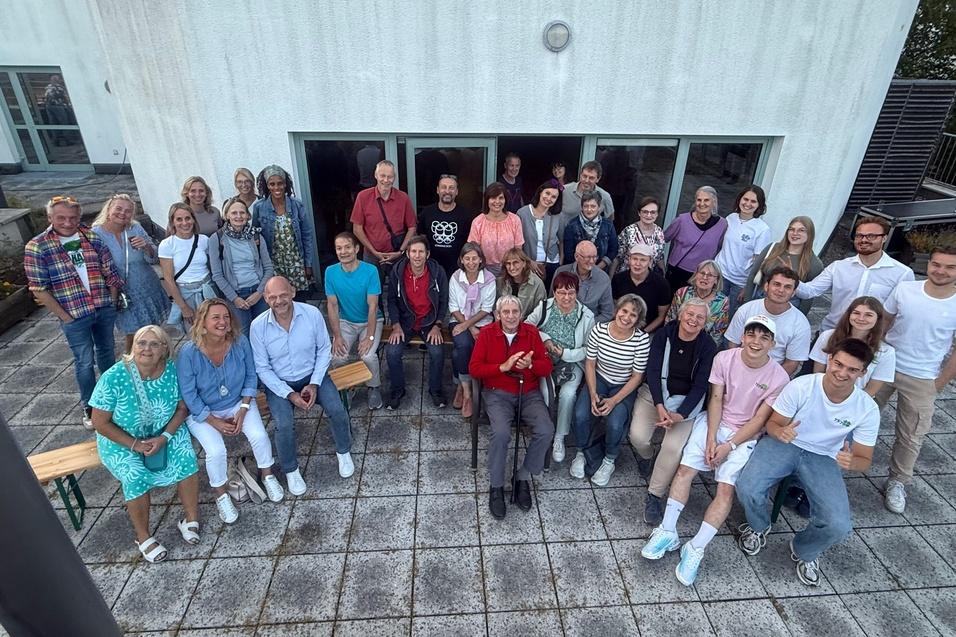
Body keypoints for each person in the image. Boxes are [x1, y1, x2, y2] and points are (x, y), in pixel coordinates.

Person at [640, 315, 789, 583]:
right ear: (742, 337)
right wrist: (711, 438)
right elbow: (716, 399)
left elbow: (759, 419)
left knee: (725, 489)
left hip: (745, 434)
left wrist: (729, 445)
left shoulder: (779, 377)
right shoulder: (724, 358)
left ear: (772, 344)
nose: (756, 342)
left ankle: (696, 547)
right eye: (751, 334)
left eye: (764, 337)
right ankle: (668, 531)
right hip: (714, 422)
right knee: (684, 471)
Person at [736, 338, 880, 587]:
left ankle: (804, 549)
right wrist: (780, 432)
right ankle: (759, 526)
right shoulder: (802, 386)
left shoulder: (867, 408)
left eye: (852, 369)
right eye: (838, 364)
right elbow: (773, 424)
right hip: (786, 443)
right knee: (747, 487)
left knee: (839, 524)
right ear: (829, 359)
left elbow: (864, 459)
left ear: (862, 373)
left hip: (825, 456)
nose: (842, 373)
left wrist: (851, 462)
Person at [88, 325, 199, 563]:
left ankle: (191, 518)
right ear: (133, 346)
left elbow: (182, 408)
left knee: (186, 458)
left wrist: (165, 437)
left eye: (154, 344)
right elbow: (99, 422)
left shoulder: (172, 370)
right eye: (141, 343)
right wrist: (135, 445)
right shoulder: (114, 377)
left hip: (164, 431)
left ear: (164, 349)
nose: (146, 349)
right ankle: (143, 536)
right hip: (121, 440)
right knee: (134, 476)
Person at [178, 300, 283, 523]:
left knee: (259, 435)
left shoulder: (239, 341)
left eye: (226, 317)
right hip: (203, 411)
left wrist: (244, 408)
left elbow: (251, 375)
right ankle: (221, 495)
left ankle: (267, 475)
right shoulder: (188, 352)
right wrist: (213, 421)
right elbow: (188, 393)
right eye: (215, 317)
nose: (223, 322)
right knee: (216, 451)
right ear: (202, 322)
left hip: (238, 402)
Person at [24, 195, 122, 429]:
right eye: (61, 218)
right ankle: (90, 406)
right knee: (84, 361)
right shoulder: (37, 246)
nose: (67, 223)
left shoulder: (91, 237)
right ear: (50, 217)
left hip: (102, 307)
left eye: (72, 218)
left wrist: (112, 300)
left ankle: (113, 399)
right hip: (74, 314)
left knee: (107, 354)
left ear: (79, 217)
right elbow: (38, 288)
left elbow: (109, 270)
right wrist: (65, 316)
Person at [250, 277, 355, 495]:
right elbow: (262, 368)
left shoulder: (312, 314)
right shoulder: (257, 326)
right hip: (279, 383)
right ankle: (291, 469)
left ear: (293, 292)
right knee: (283, 424)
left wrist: (314, 383)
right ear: (266, 299)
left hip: (313, 375)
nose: (279, 301)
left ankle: (343, 451)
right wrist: (289, 394)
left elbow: (324, 349)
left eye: (283, 295)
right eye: (273, 297)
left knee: (337, 409)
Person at [876, 245, 956, 514]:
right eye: (937, 264)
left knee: (911, 435)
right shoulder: (905, 289)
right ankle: (837, 461)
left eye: (950, 267)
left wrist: (939, 384)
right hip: (886, 365)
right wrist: (874, 357)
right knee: (856, 415)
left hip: (923, 376)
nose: (941, 271)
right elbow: (884, 321)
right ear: (929, 264)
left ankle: (897, 481)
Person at [629, 299, 718, 523]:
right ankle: (647, 456)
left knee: (672, 448)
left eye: (700, 317)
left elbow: (701, 386)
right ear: (680, 314)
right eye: (690, 314)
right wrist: (659, 405)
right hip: (655, 395)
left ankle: (654, 494)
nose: (693, 320)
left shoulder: (708, 346)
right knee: (637, 437)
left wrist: (680, 414)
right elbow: (652, 371)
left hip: (685, 403)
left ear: (705, 322)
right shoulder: (664, 335)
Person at [469, 295, 554, 519]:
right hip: (497, 392)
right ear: (498, 315)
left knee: (546, 430)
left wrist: (532, 365)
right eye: (505, 312)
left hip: (529, 392)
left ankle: (522, 477)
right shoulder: (487, 334)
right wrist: (502, 367)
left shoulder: (531, 332)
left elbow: (547, 367)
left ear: (521, 314)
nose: (510, 316)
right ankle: (496, 486)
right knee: (501, 433)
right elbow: (474, 368)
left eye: (515, 311)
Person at [570, 294, 651, 486]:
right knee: (581, 414)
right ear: (617, 310)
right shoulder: (599, 330)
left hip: (624, 385)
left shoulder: (641, 340)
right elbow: (590, 363)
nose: (626, 317)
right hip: (599, 378)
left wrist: (614, 400)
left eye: (633, 315)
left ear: (638, 320)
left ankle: (609, 459)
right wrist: (592, 394)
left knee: (615, 423)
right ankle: (580, 452)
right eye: (624, 311)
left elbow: (637, 376)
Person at [793, 216, 914, 330]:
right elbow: (810, 291)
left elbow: (903, 313)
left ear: (884, 238)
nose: (864, 240)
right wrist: (788, 276)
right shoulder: (838, 267)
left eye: (871, 236)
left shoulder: (902, 274)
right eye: (859, 235)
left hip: (868, 339)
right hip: (832, 333)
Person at [526, 271, 596, 463]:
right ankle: (544, 430)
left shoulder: (587, 316)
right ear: (555, 292)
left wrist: (565, 353)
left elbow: (589, 349)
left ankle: (559, 437)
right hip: (546, 359)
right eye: (561, 292)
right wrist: (545, 339)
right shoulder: (544, 307)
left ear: (577, 293)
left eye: (571, 293)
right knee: (546, 392)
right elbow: (527, 326)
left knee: (568, 394)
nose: (566, 297)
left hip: (572, 361)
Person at [91, 193, 169, 352]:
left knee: (153, 330)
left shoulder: (135, 228)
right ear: (108, 209)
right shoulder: (95, 234)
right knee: (133, 336)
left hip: (147, 288)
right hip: (123, 294)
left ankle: (155, 359)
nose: (122, 213)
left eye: (128, 211)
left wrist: (146, 247)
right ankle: (131, 363)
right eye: (118, 208)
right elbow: (90, 264)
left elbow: (154, 257)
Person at [384, 235, 449, 409]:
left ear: (428, 254)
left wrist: (437, 325)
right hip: (405, 322)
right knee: (392, 352)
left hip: (429, 322)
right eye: (413, 251)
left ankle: (435, 390)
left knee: (437, 352)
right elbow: (391, 300)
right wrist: (396, 325)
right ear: (407, 253)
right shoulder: (397, 272)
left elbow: (444, 301)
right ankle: (397, 390)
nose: (417, 255)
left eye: (421, 251)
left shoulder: (438, 272)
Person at [326, 231, 385, 411]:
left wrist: (369, 337)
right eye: (339, 248)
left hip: (371, 321)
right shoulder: (330, 272)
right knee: (337, 356)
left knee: (368, 355)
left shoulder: (370, 271)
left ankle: (373, 387)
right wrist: (337, 336)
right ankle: (346, 389)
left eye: (347, 247)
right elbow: (332, 305)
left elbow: (373, 306)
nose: (343, 252)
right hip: (346, 321)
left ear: (357, 249)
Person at [725, 267, 811, 377]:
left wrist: (768, 382)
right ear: (766, 286)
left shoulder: (801, 324)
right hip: (740, 369)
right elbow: (733, 344)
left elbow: (791, 363)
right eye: (777, 284)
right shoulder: (746, 310)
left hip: (772, 376)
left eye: (787, 287)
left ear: (793, 293)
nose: (781, 290)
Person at [208, 197, 273, 334]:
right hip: (235, 294)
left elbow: (268, 268)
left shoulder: (256, 236)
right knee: (243, 333)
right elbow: (217, 275)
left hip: (258, 291)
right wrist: (235, 298)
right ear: (227, 215)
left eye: (242, 212)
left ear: (248, 215)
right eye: (234, 213)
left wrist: (259, 292)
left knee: (265, 330)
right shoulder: (217, 239)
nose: (239, 216)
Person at [252, 165, 316, 301]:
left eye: (280, 183)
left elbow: (307, 235)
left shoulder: (297, 205)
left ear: (285, 184)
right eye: (272, 184)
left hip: (296, 262)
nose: (277, 187)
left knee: (299, 299)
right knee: (279, 299)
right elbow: (255, 234)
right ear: (267, 185)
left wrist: (308, 264)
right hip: (274, 263)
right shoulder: (259, 207)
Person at [810, 296, 895, 397]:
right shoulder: (827, 336)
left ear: (878, 319)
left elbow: (871, 389)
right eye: (856, 313)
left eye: (868, 315)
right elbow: (818, 373)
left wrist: (851, 403)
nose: (861, 318)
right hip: (822, 394)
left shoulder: (886, 352)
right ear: (849, 314)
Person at [448, 242, 496, 418]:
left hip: (483, 322)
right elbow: (453, 307)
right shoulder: (456, 277)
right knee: (463, 345)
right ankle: (468, 393)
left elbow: (487, 308)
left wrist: (471, 325)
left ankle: (460, 385)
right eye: (467, 258)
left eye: (474, 258)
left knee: (459, 354)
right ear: (461, 260)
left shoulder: (489, 279)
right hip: (458, 320)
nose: (471, 262)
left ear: (481, 259)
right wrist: (469, 327)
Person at [350, 160, 416, 286]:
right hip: (371, 255)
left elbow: (412, 227)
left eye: (390, 176)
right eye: (382, 176)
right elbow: (357, 229)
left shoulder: (403, 198)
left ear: (394, 178)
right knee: (372, 290)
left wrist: (400, 251)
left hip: (397, 254)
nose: (386, 180)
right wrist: (374, 252)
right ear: (375, 175)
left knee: (399, 289)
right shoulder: (363, 197)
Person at [743, 216, 824, 315]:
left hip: (787, 309)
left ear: (810, 234)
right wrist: (746, 303)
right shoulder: (772, 248)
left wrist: (800, 317)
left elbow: (808, 296)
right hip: (760, 301)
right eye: (791, 229)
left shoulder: (814, 264)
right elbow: (753, 274)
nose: (795, 233)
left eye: (801, 230)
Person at [714, 185, 773, 318]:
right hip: (720, 275)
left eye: (753, 201)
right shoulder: (731, 218)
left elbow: (759, 263)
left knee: (729, 318)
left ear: (759, 205)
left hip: (739, 282)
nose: (748, 204)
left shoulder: (762, 229)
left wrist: (747, 287)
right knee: (712, 313)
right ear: (740, 199)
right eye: (745, 199)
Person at [158, 203, 214, 330]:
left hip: (207, 290)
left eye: (188, 218)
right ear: (172, 222)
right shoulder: (167, 245)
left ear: (193, 219)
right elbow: (168, 279)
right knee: (194, 333)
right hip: (186, 295)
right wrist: (183, 307)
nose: (184, 223)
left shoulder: (204, 240)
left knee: (213, 329)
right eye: (179, 219)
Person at [663, 186, 728, 291]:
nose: (702, 204)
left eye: (706, 200)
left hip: (702, 275)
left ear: (714, 202)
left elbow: (719, 247)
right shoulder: (682, 220)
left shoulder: (722, 224)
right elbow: (663, 239)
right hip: (677, 271)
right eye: (699, 200)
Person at [418, 174, 474, 279]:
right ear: (438, 190)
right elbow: (421, 240)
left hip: (457, 270)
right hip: (431, 268)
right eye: (444, 187)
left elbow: (469, 245)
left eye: (451, 188)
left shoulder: (466, 215)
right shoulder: (426, 213)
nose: (447, 191)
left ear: (457, 191)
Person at [665, 260, 730, 345]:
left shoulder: (722, 302)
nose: (705, 277)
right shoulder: (682, 293)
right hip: (676, 338)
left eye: (710, 275)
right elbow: (670, 319)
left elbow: (718, 332)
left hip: (702, 344)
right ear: (696, 275)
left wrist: (707, 349)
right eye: (702, 273)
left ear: (716, 280)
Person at [611, 244, 671, 333]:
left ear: (650, 261)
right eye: (634, 259)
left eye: (643, 260)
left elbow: (661, 316)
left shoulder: (661, 284)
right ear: (629, 259)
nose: (638, 264)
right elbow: (615, 307)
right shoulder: (618, 279)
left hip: (647, 330)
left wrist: (642, 333)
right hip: (621, 325)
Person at [467, 182, 524, 276]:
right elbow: (473, 250)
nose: (497, 202)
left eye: (501, 198)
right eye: (493, 198)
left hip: (510, 269)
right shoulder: (478, 222)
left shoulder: (514, 220)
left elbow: (518, 249)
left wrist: (514, 269)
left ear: (505, 200)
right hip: (484, 270)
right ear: (487, 200)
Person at [552, 240, 614, 323]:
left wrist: (586, 324)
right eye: (588, 257)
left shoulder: (603, 279)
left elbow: (607, 313)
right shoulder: (561, 272)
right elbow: (551, 301)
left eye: (594, 257)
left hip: (590, 324)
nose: (592, 261)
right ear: (576, 256)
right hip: (561, 320)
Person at [517, 180, 562, 288]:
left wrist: (560, 260)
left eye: (554, 197)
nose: (549, 198)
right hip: (529, 263)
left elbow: (561, 240)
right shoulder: (522, 213)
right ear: (541, 192)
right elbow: (518, 243)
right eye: (547, 193)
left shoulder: (558, 216)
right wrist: (528, 261)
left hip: (552, 263)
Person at [562, 191, 619, 271]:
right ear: (581, 207)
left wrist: (598, 268)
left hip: (601, 269)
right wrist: (584, 267)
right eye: (586, 206)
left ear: (599, 207)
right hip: (577, 271)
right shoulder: (572, 225)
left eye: (593, 206)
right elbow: (568, 252)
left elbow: (613, 250)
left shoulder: (608, 225)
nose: (589, 209)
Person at [613, 196, 666, 275]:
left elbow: (660, 258)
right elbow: (617, 258)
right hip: (626, 276)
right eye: (645, 212)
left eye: (653, 212)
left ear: (657, 214)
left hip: (648, 277)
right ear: (639, 213)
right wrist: (610, 278)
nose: (649, 215)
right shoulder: (629, 231)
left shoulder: (659, 232)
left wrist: (663, 275)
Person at [559, 160, 615, 226]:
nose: (586, 180)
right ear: (580, 175)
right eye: (584, 176)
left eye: (591, 178)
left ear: (598, 179)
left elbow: (609, 221)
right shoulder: (564, 190)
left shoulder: (605, 196)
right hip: (564, 232)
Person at [496, 248, 546, 320]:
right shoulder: (500, 282)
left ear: (524, 263)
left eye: (515, 262)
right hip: (504, 322)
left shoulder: (537, 284)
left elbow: (540, 311)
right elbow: (495, 308)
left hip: (528, 323)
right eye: (508, 263)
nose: (512, 267)